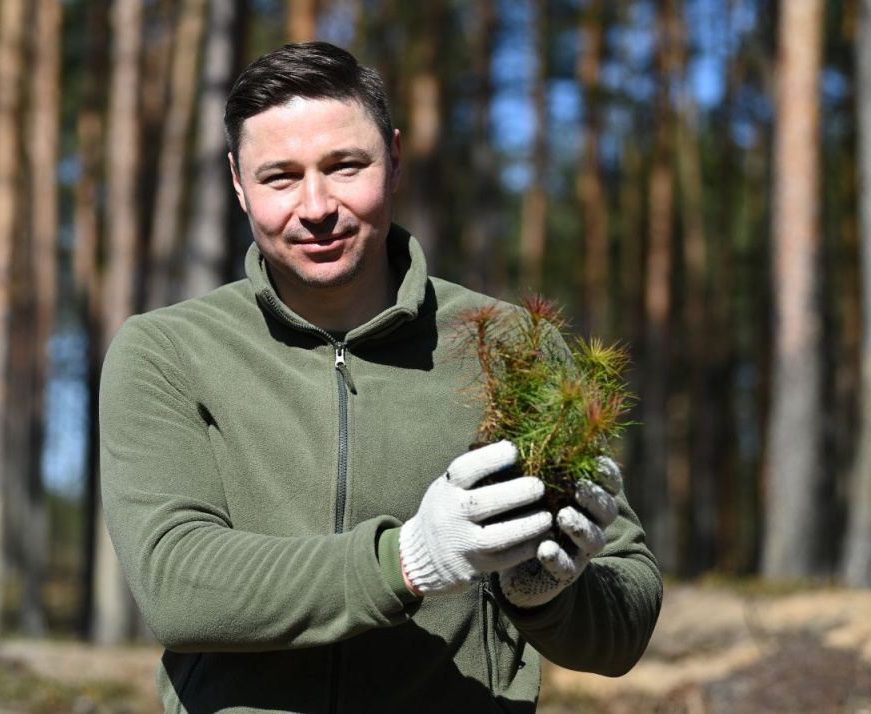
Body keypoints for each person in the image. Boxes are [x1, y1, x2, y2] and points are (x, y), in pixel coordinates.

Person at [100, 41, 662, 712]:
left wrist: (545, 596)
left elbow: (624, 621)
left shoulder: (513, 344)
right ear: (237, 182)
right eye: (280, 177)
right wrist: (409, 559)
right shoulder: (167, 351)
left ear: (393, 159)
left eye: (345, 167)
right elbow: (177, 585)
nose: (316, 207)